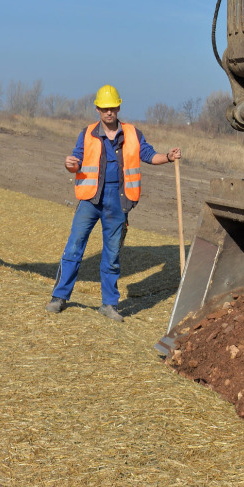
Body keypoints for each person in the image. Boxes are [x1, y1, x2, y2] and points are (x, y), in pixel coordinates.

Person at [45, 84, 181, 321]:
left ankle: (109, 305)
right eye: (105, 108)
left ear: (118, 107)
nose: (109, 112)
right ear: (97, 109)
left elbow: (148, 155)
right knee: (74, 248)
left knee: (112, 255)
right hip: (90, 200)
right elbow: (76, 161)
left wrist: (168, 157)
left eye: (113, 108)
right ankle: (59, 297)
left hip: (119, 202)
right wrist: (70, 165)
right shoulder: (87, 133)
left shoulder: (132, 134)